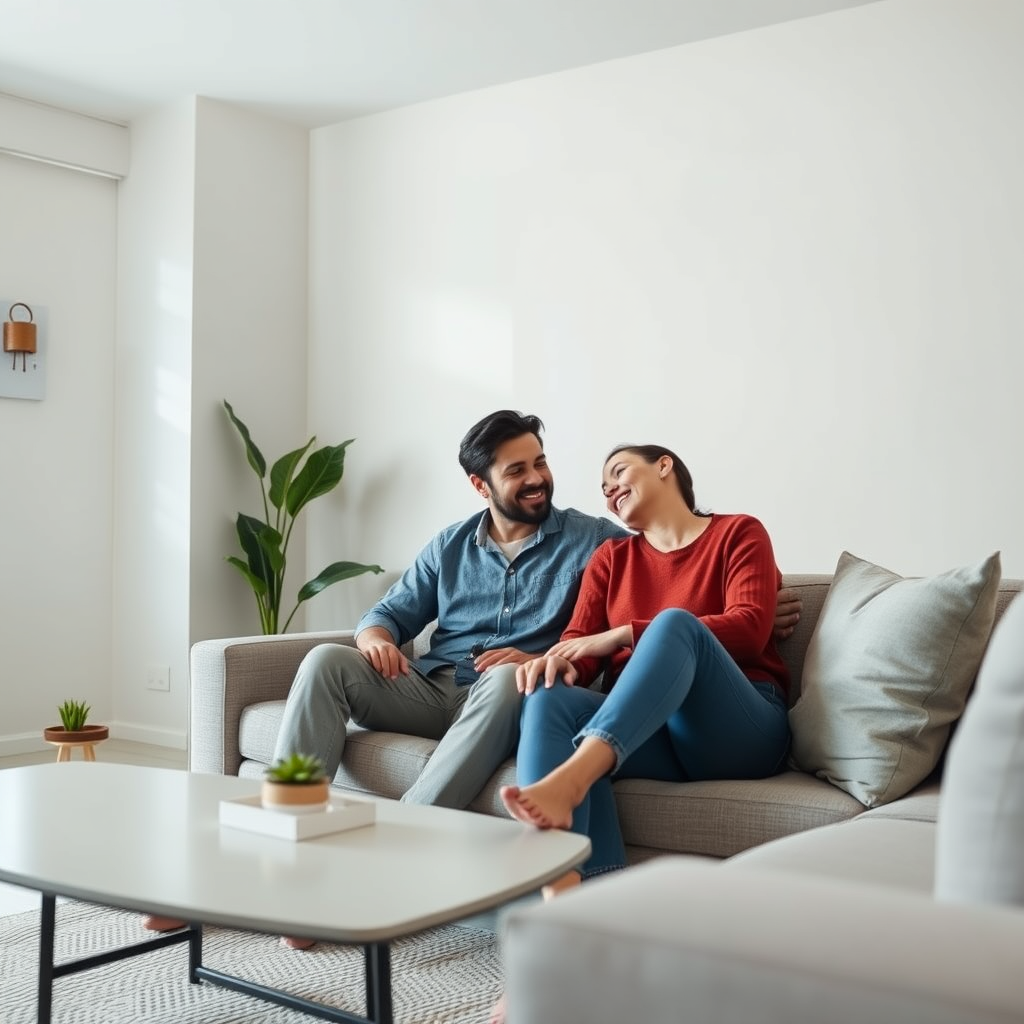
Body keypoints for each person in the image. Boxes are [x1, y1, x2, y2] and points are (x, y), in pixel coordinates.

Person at [144, 417, 801, 942]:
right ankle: (270, 866)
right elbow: (401, 616)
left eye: (541, 462)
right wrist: (374, 637)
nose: (539, 478)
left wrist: (753, 605)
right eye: (518, 470)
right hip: (437, 688)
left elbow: (694, 584)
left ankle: (391, 854)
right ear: (481, 485)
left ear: (664, 466)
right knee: (326, 662)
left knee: (531, 681)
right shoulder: (475, 547)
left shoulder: (599, 539)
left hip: (520, 696)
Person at [501, 442, 792, 882]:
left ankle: (573, 778)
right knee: (547, 698)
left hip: (739, 730)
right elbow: (578, 646)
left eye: (619, 472)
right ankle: (569, 892)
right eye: (603, 488)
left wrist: (624, 633)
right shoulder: (610, 559)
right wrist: (557, 666)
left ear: (664, 466)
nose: (610, 491)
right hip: (651, 734)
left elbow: (750, 629)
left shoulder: (739, 532)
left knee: (673, 624)